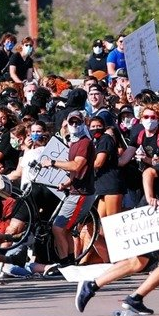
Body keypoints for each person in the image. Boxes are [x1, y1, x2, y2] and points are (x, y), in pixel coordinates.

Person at [75, 136, 159, 315]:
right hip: (151, 217)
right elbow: (149, 173)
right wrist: (150, 197)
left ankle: (124, 295)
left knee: (154, 263)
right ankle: (102, 288)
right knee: (155, 262)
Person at [38, 111, 96, 266]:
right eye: (72, 122)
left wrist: (52, 162)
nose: (75, 125)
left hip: (82, 193)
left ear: (84, 123)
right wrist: (66, 184)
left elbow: (77, 165)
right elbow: (74, 172)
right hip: (76, 190)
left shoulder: (84, 143)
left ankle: (64, 262)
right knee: (66, 229)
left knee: (58, 228)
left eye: (78, 122)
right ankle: (70, 260)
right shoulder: (75, 143)